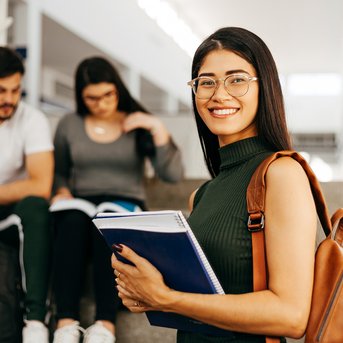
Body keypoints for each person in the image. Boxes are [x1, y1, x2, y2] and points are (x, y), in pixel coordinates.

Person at [111, 27, 318, 343]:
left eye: (237, 80)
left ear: (266, 87)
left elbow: (291, 316)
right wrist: (144, 292)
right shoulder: (203, 194)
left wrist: (166, 298)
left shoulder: (282, 174)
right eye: (206, 82)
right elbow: (206, 302)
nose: (219, 94)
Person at [51, 56, 183, 343]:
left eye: (108, 94)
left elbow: (172, 175)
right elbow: (60, 172)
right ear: (81, 97)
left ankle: (105, 324)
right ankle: (65, 322)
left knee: (106, 223)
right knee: (72, 222)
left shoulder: (135, 122)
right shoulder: (69, 125)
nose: (102, 103)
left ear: (118, 89)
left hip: (124, 203)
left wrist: (156, 127)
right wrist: (61, 190)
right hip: (81, 203)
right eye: (92, 98)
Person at [0, 47, 54, 342]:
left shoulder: (31, 119)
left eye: (15, 90)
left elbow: (40, 185)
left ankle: (35, 320)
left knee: (36, 207)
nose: (9, 99)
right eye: (1, 91)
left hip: (14, 212)